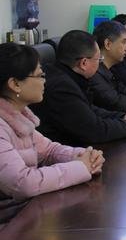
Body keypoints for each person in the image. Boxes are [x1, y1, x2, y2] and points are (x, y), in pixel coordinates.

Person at [0, 43, 105, 206]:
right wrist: (80, 167)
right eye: (40, 75)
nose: (45, 81)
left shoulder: (18, 115)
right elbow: (24, 183)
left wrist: (83, 156)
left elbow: (49, 150)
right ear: (15, 84)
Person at [29, 30, 126, 146]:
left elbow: (89, 110)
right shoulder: (61, 87)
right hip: (61, 151)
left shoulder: (66, 74)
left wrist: (124, 117)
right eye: (99, 59)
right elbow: (94, 130)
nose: (100, 63)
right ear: (84, 63)